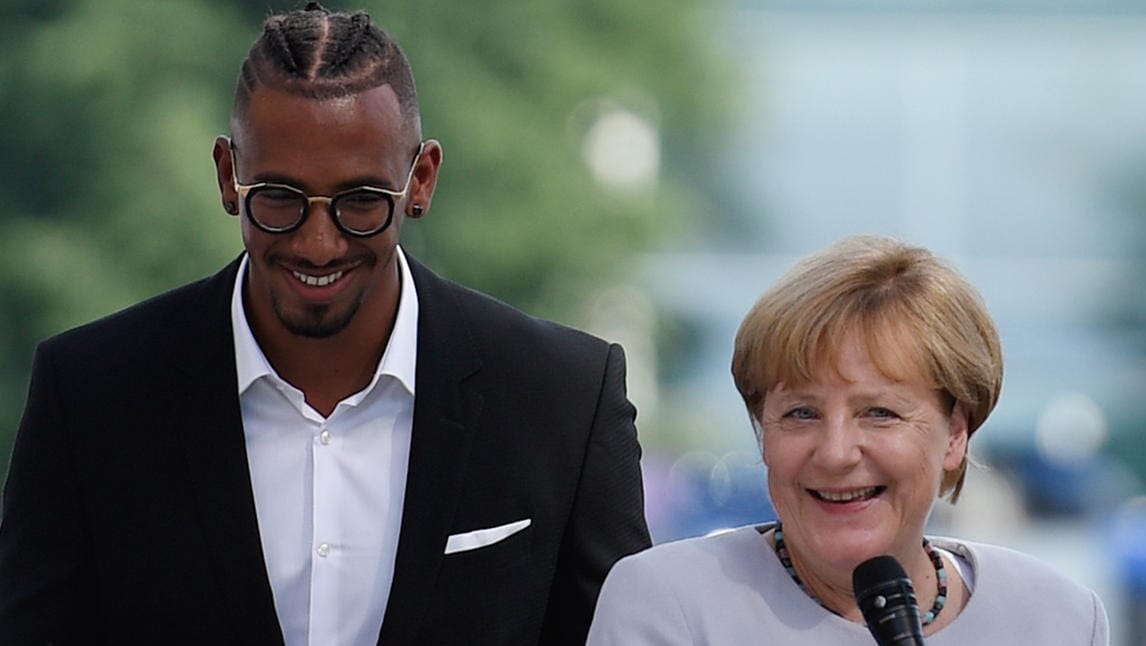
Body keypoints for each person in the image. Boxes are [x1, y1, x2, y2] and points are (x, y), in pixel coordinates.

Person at [0, 4, 651, 644]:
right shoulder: (90, 395)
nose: (317, 244)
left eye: (360, 202)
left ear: (419, 181)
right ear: (230, 177)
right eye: (279, 199)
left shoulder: (563, 399)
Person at [588, 235, 1109, 645]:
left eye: (879, 413)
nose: (836, 453)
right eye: (801, 413)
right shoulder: (669, 604)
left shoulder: (1060, 619)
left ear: (956, 433)